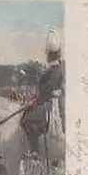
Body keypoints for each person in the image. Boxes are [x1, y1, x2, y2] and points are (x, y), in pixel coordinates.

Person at [20, 28, 64, 157]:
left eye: (49, 55)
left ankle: (34, 149)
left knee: (25, 120)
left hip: (49, 105)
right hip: (49, 102)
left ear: (51, 55)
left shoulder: (54, 70)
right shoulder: (56, 69)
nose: (47, 57)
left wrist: (35, 103)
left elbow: (47, 91)